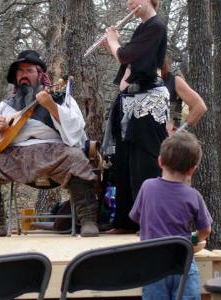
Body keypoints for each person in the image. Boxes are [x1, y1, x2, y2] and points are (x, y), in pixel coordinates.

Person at [0, 50, 99, 237]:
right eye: (20, 72)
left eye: (29, 70)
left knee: (76, 158)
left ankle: (88, 221)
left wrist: (51, 105)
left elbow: (76, 130)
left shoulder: (60, 97)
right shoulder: (6, 105)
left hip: (54, 152)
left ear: (41, 75)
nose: (23, 75)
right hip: (15, 156)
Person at [102, 0, 169, 234]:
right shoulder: (143, 28)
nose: (130, 3)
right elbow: (130, 62)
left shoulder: (156, 26)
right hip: (131, 100)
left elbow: (126, 56)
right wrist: (114, 47)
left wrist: (113, 41)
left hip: (149, 101)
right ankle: (125, 221)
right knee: (124, 160)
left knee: (146, 161)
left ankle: (150, 221)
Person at [129, 131, 212, 299]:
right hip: (182, 263)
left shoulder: (147, 187)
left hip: (153, 267)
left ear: (160, 161)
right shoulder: (193, 195)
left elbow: (137, 217)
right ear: (192, 170)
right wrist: (193, 238)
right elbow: (206, 230)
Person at [161, 57, 207, 135]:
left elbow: (200, 106)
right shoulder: (136, 78)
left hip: (165, 137)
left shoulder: (173, 79)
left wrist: (179, 131)